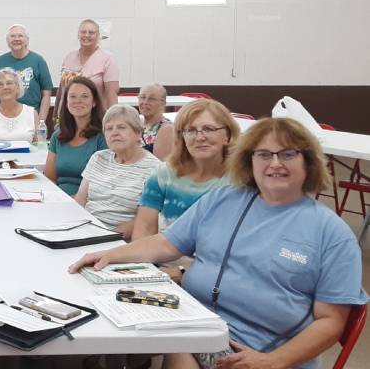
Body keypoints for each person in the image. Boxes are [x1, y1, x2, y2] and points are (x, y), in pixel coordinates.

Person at [70, 117, 368, 369]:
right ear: (249, 162)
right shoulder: (224, 199)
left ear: (309, 163)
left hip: (256, 352)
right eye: (263, 154)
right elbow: (167, 243)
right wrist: (109, 255)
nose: (275, 163)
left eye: (288, 154)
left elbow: (331, 322)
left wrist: (271, 361)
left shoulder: (333, 235)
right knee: (92, 326)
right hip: (193, 325)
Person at [130, 99, 239, 242]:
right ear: (182, 137)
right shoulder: (164, 175)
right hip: (168, 260)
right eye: (191, 130)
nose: (200, 137)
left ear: (228, 136)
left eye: (209, 129)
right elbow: (143, 233)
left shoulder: (241, 178)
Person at [75, 105, 161, 237]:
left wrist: (108, 237)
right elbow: (80, 201)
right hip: (85, 230)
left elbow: (147, 221)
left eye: (121, 127)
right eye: (109, 128)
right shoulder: (98, 157)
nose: (114, 132)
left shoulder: (155, 169)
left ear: (138, 132)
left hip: (121, 238)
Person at [44, 76, 107, 196]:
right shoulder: (58, 135)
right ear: (66, 103)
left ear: (94, 102)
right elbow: (49, 178)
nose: (78, 101)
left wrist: (75, 201)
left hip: (89, 203)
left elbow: (103, 184)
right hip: (59, 201)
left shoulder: (103, 137)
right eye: (73, 96)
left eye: (85, 96)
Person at [0, 24, 53, 120]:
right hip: (3, 116)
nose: (16, 39)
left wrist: (41, 121)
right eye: (12, 36)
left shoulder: (38, 61)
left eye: (20, 36)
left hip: (31, 116)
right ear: (7, 41)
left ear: (27, 40)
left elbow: (46, 94)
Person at [57, 19, 119, 116]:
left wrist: (113, 119)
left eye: (91, 32)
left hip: (96, 117)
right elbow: (61, 91)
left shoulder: (108, 59)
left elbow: (112, 95)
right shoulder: (69, 57)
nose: (86, 35)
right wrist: (56, 115)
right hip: (67, 117)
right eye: (83, 32)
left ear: (98, 36)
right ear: (78, 35)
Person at [0, 68, 40, 145]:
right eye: (0, 84)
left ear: (18, 88)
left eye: (9, 83)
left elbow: (39, 148)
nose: (5, 87)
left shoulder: (32, 113)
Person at [138, 83, 174, 160]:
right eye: (142, 97)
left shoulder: (167, 129)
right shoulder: (137, 124)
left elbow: (161, 167)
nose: (145, 102)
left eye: (152, 99)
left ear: (163, 103)